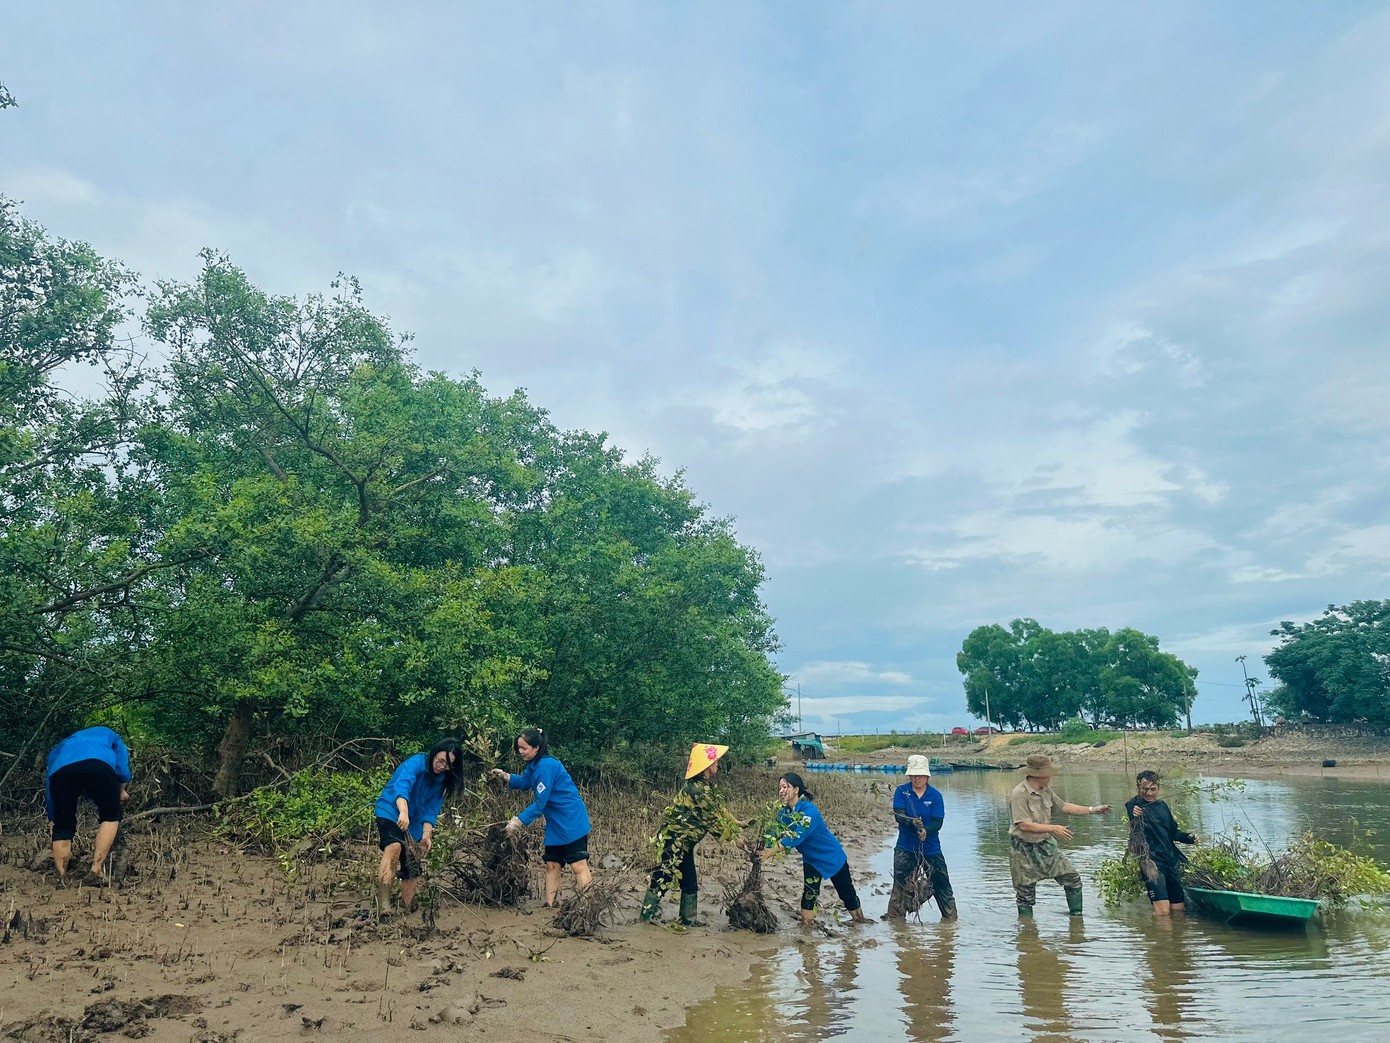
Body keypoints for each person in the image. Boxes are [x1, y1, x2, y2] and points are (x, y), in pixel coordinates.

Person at [491, 727, 592, 906]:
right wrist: (506, 777)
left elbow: (540, 803)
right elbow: (524, 782)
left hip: (571, 819)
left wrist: (518, 821)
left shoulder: (547, 765)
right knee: (552, 864)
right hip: (554, 822)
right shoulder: (533, 765)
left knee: (578, 864)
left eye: (524, 748)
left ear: (536, 748)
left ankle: (588, 905)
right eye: (519, 748)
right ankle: (549, 905)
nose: (520, 752)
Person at [641, 742, 739, 927]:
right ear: (706, 766)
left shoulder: (702, 787)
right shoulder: (698, 789)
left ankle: (685, 922)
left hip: (682, 844)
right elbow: (713, 821)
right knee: (663, 879)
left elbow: (720, 811)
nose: (717, 764)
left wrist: (738, 825)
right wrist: (737, 840)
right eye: (715, 761)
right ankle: (647, 919)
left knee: (686, 883)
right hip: (674, 842)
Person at [761, 772, 872, 926]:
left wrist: (771, 851)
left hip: (831, 856)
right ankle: (807, 926)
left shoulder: (809, 810)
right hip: (811, 859)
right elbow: (773, 832)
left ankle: (859, 921)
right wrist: (762, 849)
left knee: (846, 893)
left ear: (796, 790)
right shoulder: (784, 813)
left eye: (785, 787)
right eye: (779, 787)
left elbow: (798, 835)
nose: (781, 790)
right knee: (809, 893)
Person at [1008, 753, 1110, 917]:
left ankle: (1076, 920)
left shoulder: (1045, 790)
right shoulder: (1019, 793)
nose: (1051, 776)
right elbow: (1023, 825)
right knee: (1024, 895)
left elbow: (1063, 806)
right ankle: (1027, 934)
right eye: (1049, 773)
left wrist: (1092, 810)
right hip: (1023, 848)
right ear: (1039, 774)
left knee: (1072, 879)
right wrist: (1053, 828)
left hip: (1046, 844)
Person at [373, 738, 464, 912]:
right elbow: (402, 787)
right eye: (440, 761)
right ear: (434, 753)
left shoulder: (442, 780)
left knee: (413, 861)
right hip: (391, 810)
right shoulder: (416, 763)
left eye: (448, 765)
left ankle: (406, 908)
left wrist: (426, 835)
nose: (442, 766)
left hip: (413, 823)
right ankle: (384, 907)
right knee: (394, 847)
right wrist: (403, 811)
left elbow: (431, 808)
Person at [45, 725, 132, 883]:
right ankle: (95, 871)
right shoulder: (109, 734)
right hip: (98, 765)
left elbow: (50, 781)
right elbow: (122, 766)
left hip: (62, 772)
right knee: (110, 815)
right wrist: (120, 788)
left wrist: (53, 816)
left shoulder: (62, 746)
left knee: (63, 825)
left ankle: (61, 876)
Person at [886, 754, 956, 920]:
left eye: (920, 775)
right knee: (900, 886)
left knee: (942, 885)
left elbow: (937, 822)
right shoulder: (902, 792)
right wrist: (912, 823)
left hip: (931, 849)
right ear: (909, 775)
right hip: (906, 847)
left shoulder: (935, 796)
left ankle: (951, 922)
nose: (917, 778)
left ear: (927, 776)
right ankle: (895, 922)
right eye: (914, 775)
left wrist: (926, 830)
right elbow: (899, 816)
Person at [1125, 770, 1198, 915]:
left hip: (1170, 860)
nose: (1150, 793)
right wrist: (1135, 813)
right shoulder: (1135, 805)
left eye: (1153, 789)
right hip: (1150, 862)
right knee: (1163, 912)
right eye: (1145, 789)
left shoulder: (1162, 806)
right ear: (1139, 788)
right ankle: (1159, 936)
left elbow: (1173, 832)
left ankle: (1174, 936)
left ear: (1158, 788)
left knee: (1178, 910)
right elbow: (1132, 811)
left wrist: (1188, 838)